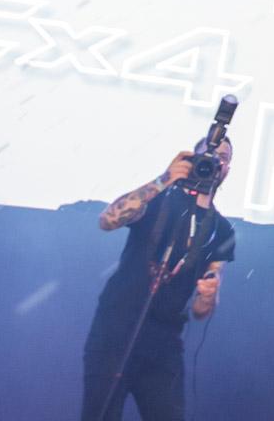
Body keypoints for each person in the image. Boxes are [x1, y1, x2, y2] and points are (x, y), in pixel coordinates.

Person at [80, 141, 236, 421]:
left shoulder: (221, 230)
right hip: (116, 330)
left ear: (228, 169)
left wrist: (208, 295)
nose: (215, 162)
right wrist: (164, 179)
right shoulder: (159, 199)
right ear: (192, 158)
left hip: (164, 342)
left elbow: (201, 310)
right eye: (209, 155)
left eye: (223, 158)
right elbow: (107, 220)